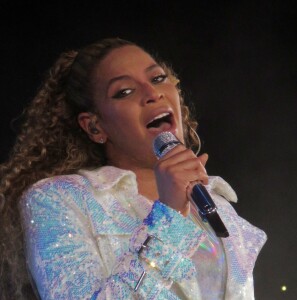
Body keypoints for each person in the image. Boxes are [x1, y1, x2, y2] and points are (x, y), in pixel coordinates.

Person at [0, 37, 267, 300]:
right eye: (125, 92)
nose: (153, 94)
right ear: (95, 127)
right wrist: (169, 216)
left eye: (158, 78)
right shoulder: (58, 198)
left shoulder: (217, 205)